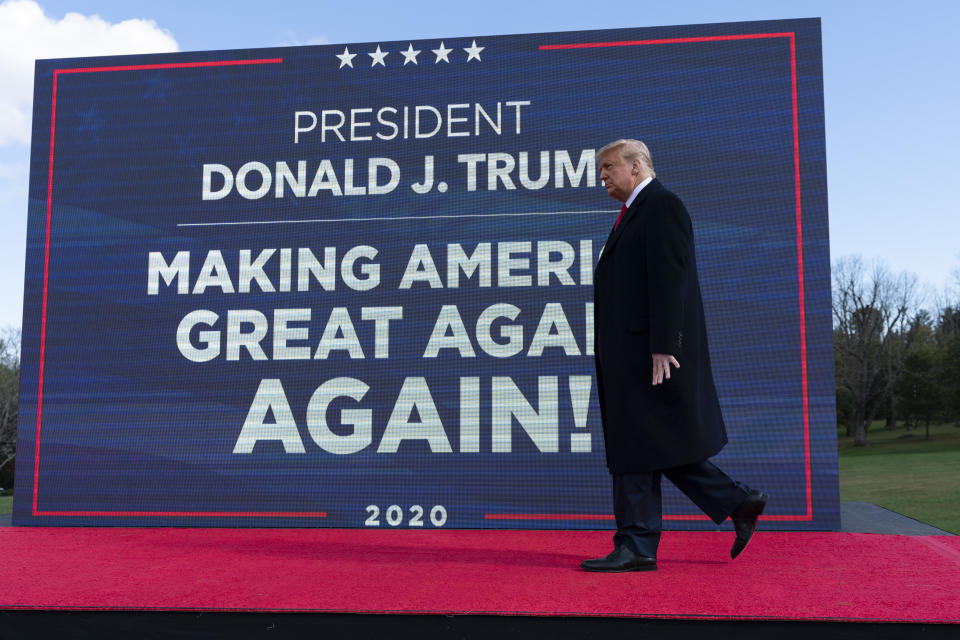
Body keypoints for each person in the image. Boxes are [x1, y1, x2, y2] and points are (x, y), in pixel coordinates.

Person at [583, 139, 767, 572]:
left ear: (638, 164)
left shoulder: (661, 206)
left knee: (638, 444)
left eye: (609, 167)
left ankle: (637, 543)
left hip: (647, 353)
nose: (602, 176)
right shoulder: (635, 213)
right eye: (600, 170)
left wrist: (664, 344)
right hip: (629, 352)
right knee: (648, 444)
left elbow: (671, 278)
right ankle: (732, 504)